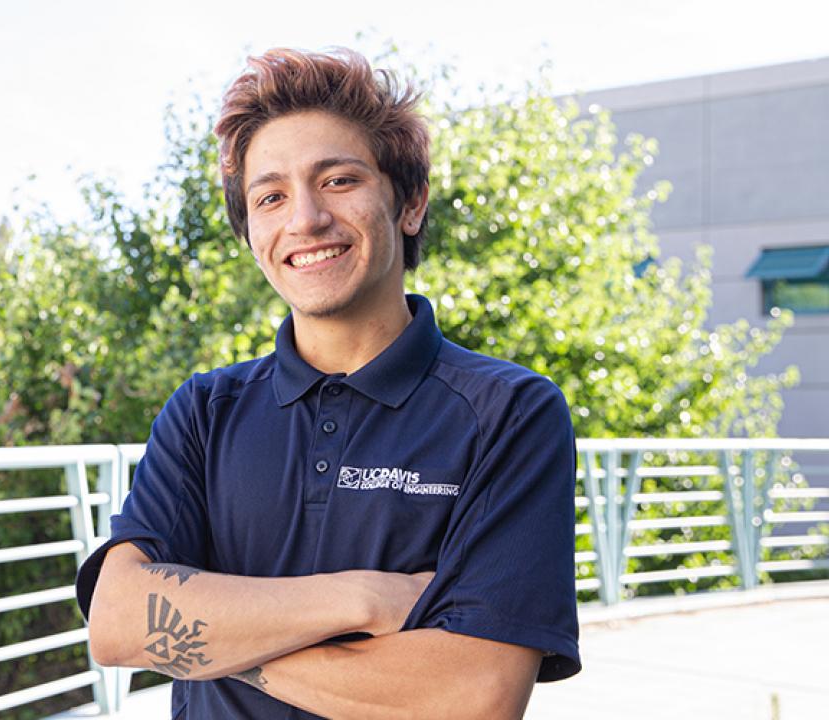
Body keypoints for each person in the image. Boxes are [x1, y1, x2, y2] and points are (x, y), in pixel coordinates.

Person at [74, 47, 580, 719]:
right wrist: (362, 599)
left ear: (410, 203)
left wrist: (215, 639)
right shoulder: (204, 411)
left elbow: (475, 699)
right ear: (251, 230)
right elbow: (116, 621)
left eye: (339, 180)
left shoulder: (509, 412)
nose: (305, 219)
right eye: (271, 197)